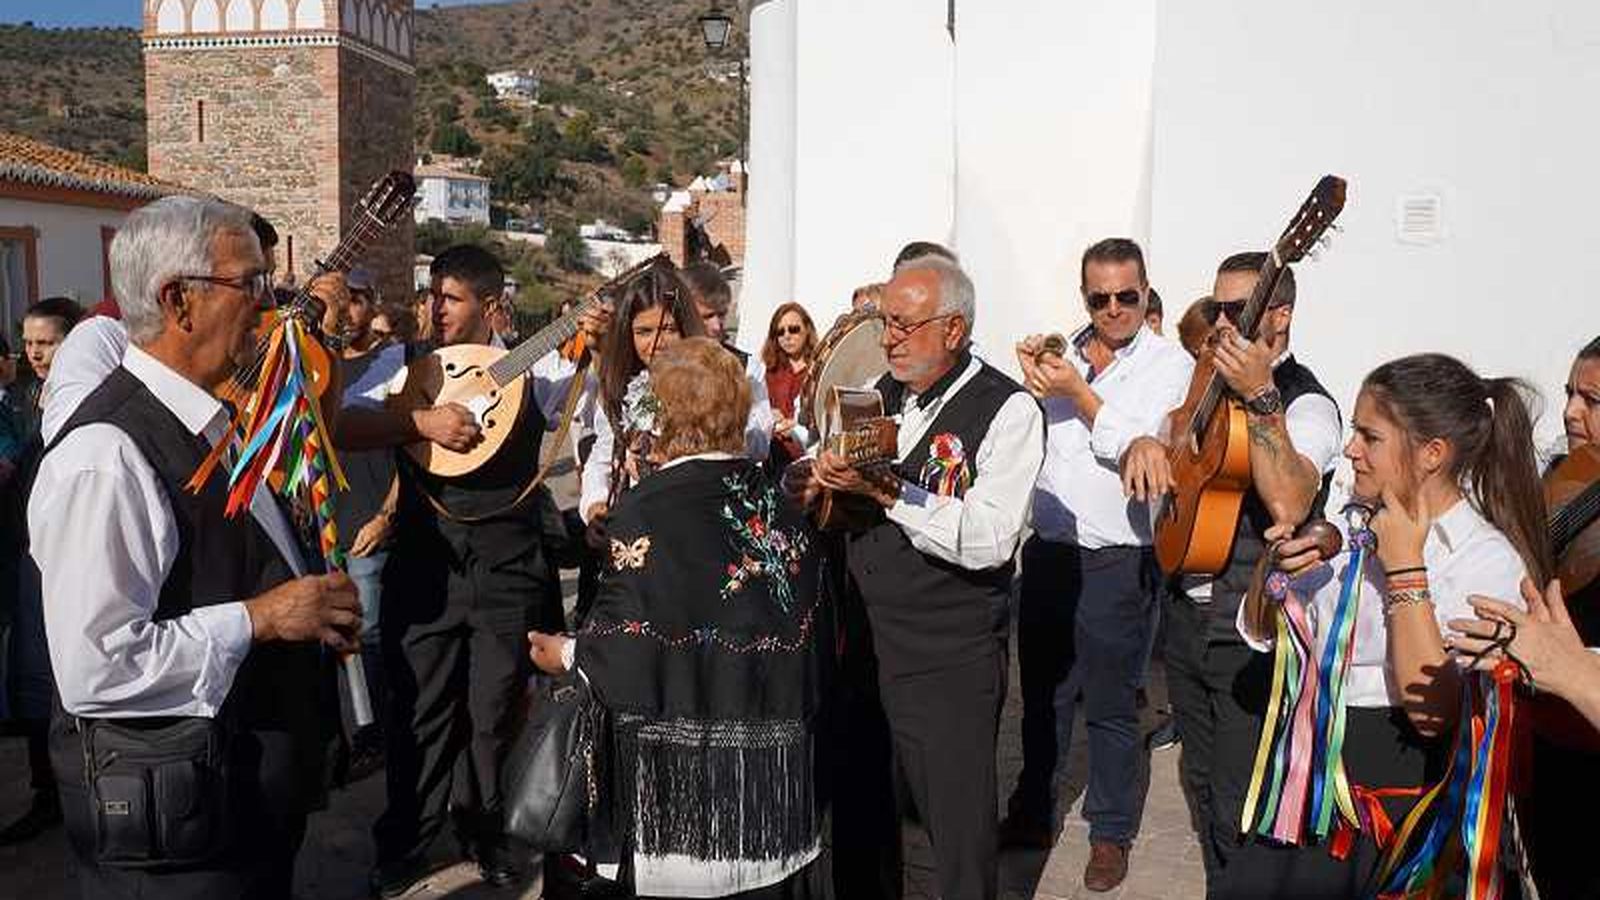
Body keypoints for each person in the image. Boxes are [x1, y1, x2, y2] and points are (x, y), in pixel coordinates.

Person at [30, 195, 362, 898]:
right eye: (251, 285)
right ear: (179, 300)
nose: (269, 308)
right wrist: (263, 617)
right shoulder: (106, 454)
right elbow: (97, 666)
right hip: (178, 846)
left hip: (236, 815)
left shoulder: (213, 421)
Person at [1226, 352, 1545, 899]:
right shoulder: (1350, 527)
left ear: (1431, 454)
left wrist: (1404, 570)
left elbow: (1433, 715)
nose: (1351, 450)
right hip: (1308, 791)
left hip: (1400, 807)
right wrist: (1273, 572)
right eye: (1354, 431)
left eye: (1369, 437)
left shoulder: (1485, 562)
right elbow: (1266, 631)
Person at [339, 245, 597, 897]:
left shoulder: (532, 372)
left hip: (507, 567)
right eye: (430, 296)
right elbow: (341, 418)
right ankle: (406, 841)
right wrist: (419, 418)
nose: (434, 309)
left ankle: (487, 833)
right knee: (419, 710)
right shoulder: (404, 365)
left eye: (449, 298)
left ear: (489, 306)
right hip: (426, 567)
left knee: (493, 713)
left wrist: (600, 340)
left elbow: (597, 398)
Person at [530, 337, 825, 899]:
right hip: (773, 798)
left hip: (683, 813)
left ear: (660, 418)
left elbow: (625, 653)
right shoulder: (778, 503)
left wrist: (564, 653)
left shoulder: (647, 509)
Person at [789, 254, 1044, 900]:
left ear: (953, 330)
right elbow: (833, 459)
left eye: (903, 325)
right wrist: (813, 479)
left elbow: (990, 538)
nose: (889, 338)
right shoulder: (882, 388)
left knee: (956, 833)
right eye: (886, 323)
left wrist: (888, 492)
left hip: (946, 658)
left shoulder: (1008, 410)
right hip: (865, 643)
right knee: (862, 814)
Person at [1120, 251, 1344, 891]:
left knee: (1239, 801)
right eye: (1217, 307)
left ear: (1279, 317)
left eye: (1236, 309)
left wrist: (1262, 397)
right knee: (1199, 784)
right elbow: (1177, 437)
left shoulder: (1307, 404)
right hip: (1186, 617)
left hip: (1249, 631)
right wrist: (1150, 444)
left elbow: (1291, 500)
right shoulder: (1204, 380)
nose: (1221, 322)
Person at [1004, 239, 1195, 891]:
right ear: (1084, 297)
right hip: (1052, 548)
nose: (1114, 309)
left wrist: (1077, 393)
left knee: (1112, 705)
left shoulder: (1173, 366)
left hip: (1119, 555)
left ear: (1145, 291)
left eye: (1126, 296)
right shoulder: (1064, 353)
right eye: (1100, 298)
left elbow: (1146, 448)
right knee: (1043, 697)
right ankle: (1033, 808)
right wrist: (1030, 383)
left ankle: (1110, 832)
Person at [1464, 335, 1600, 899]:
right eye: (1571, 393)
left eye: (1592, 400)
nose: (1571, 411)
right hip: (1545, 750)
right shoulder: (1564, 477)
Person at [0, 296, 84, 846]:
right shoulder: (23, 400)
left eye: (46, 342)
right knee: (31, 683)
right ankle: (45, 795)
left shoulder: (88, 400)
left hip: (70, 558)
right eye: (28, 343)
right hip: (24, 555)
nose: (35, 353)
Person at [578, 270, 709, 526]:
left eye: (668, 328)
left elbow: (749, 447)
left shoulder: (720, 379)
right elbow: (603, 457)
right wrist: (595, 505)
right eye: (644, 332)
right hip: (640, 526)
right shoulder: (625, 387)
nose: (657, 342)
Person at [679, 260, 775, 461]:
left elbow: (761, 445)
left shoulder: (747, 368)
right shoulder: (660, 363)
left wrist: (727, 422)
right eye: (706, 316)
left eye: (721, 315)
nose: (716, 326)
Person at [762, 301, 818, 469]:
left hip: (808, 461)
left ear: (807, 330)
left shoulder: (819, 371)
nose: (787, 336)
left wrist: (796, 426)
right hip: (774, 460)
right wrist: (767, 415)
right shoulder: (768, 372)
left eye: (793, 329)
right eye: (780, 332)